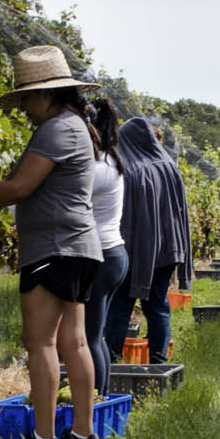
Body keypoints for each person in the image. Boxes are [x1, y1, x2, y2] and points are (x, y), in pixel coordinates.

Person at [0, 46, 102, 439]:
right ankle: (82, 433)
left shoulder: (56, 129)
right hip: (79, 247)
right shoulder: (74, 125)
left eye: (27, 99)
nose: (24, 110)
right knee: (74, 342)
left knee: (41, 343)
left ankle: (44, 436)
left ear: (47, 93)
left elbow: (19, 187)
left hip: (53, 248)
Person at [107, 116, 193, 366]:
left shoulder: (131, 172)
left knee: (120, 305)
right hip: (169, 249)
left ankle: (111, 360)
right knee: (157, 305)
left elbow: (125, 218)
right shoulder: (170, 167)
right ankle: (158, 362)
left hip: (138, 251)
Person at [85, 97, 129, 394]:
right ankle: (100, 397)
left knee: (88, 338)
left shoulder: (98, 167)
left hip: (101, 256)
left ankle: (96, 400)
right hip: (113, 254)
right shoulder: (111, 160)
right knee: (96, 335)